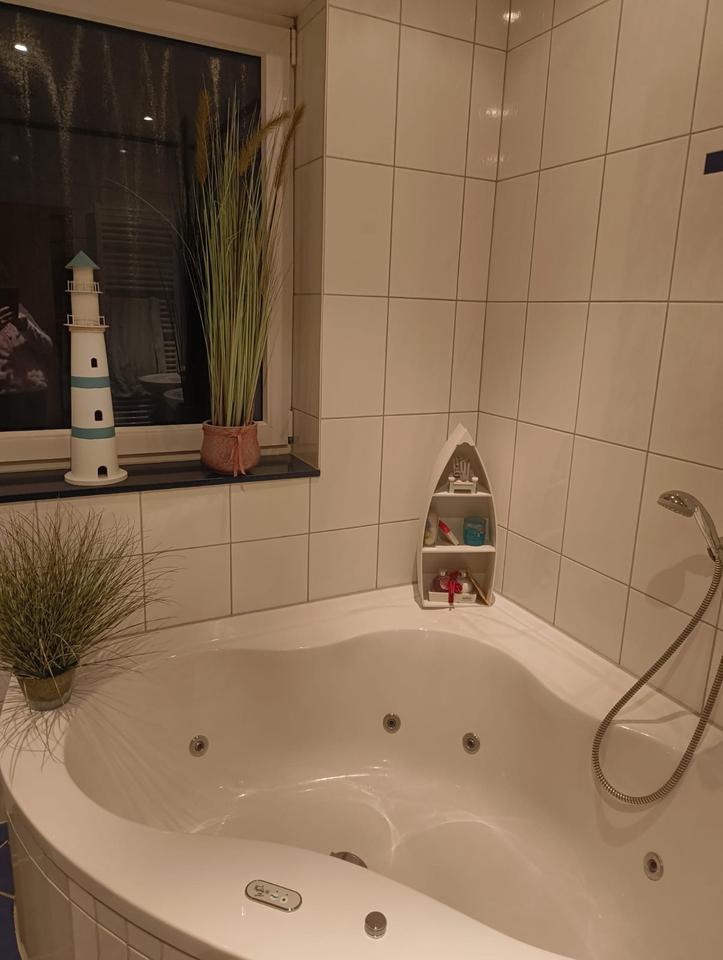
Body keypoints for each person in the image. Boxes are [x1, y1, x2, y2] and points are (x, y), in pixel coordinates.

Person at [0, 298, 54, 429]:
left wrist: (25, 327)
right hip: (6, 395)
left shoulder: (18, 310)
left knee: (37, 438)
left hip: (34, 391)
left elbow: (47, 346)